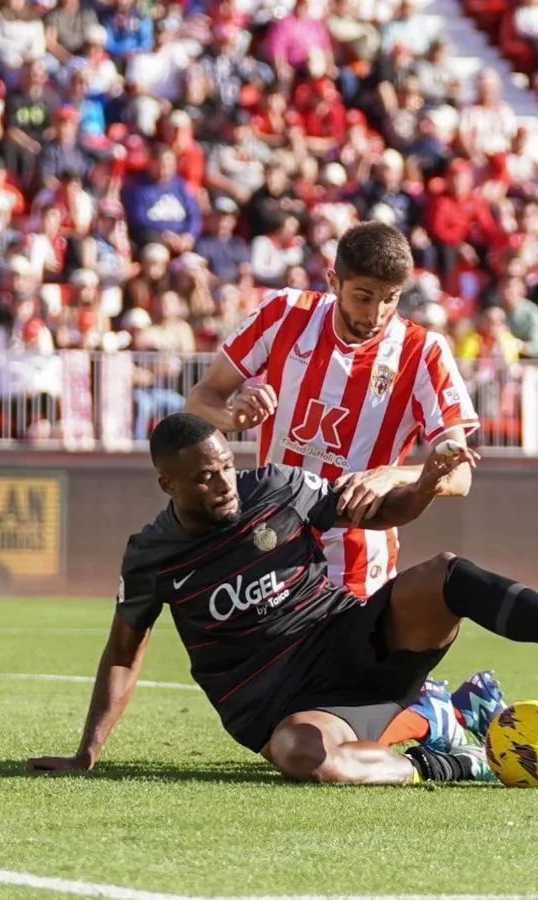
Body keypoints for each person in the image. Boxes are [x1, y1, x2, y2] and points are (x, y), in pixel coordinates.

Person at [27, 414, 538, 784]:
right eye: (204, 477)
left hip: (349, 640)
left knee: (445, 574)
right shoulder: (151, 554)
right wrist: (88, 753)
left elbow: (381, 511)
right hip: (278, 703)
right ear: (167, 483)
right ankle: (447, 749)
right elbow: (123, 652)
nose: (223, 483)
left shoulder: (275, 486)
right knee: (305, 758)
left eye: (224, 465)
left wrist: (425, 485)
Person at [186, 220, 497, 751]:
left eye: (389, 299)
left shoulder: (424, 352)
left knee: (324, 730)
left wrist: (393, 472)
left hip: (357, 559)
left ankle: (435, 714)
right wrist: (233, 416)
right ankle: (442, 706)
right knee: (283, 714)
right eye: (363, 296)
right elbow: (202, 399)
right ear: (334, 282)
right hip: (274, 547)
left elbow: (460, 472)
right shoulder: (284, 313)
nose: (374, 314)